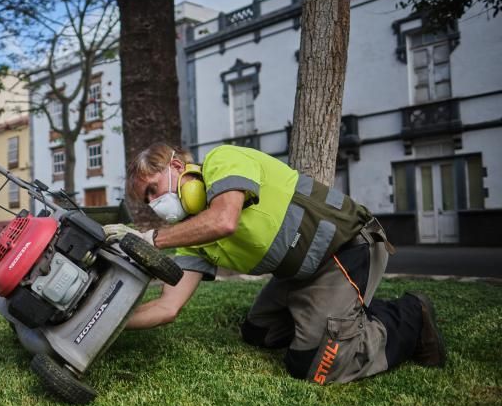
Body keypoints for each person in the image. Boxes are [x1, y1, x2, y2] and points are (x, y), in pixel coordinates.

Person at [104, 143, 446, 384]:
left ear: (177, 167)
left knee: (313, 364)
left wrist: (148, 239)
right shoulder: (191, 235)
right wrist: (104, 323)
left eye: (152, 188)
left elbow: (224, 220)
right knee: (260, 333)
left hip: (346, 249)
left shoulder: (224, 160)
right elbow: (167, 308)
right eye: (147, 199)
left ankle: (411, 314)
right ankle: (341, 316)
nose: (154, 202)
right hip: (299, 273)